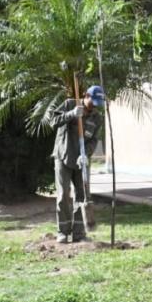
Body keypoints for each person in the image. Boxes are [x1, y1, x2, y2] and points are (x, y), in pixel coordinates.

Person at [45, 85, 105, 244]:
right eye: (93, 102)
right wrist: (71, 114)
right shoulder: (69, 104)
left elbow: (93, 140)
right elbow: (52, 121)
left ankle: (79, 233)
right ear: (86, 96)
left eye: (98, 103)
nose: (94, 106)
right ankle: (63, 232)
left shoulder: (97, 117)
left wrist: (87, 154)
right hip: (63, 156)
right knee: (63, 194)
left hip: (81, 161)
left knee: (83, 196)